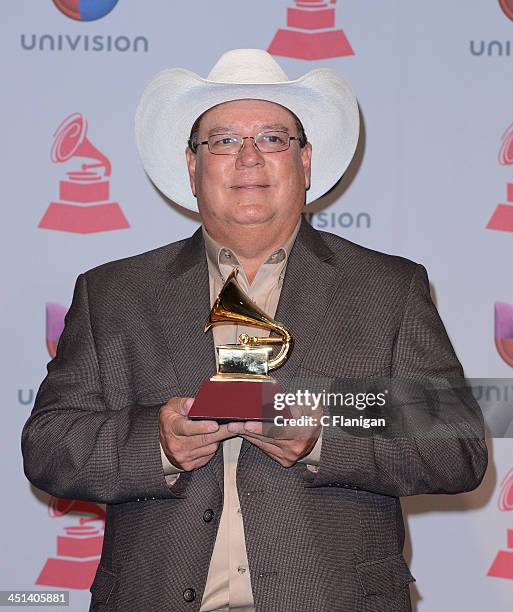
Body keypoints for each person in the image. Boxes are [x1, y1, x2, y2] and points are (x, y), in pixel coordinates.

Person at [22, 49, 487, 612]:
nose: (248, 158)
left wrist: (323, 433)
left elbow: (456, 447)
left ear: (305, 161)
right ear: (192, 166)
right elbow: (48, 445)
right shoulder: (113, 293)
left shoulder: (389, 288)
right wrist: (157, 443)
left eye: (272, 138)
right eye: (222, 140)